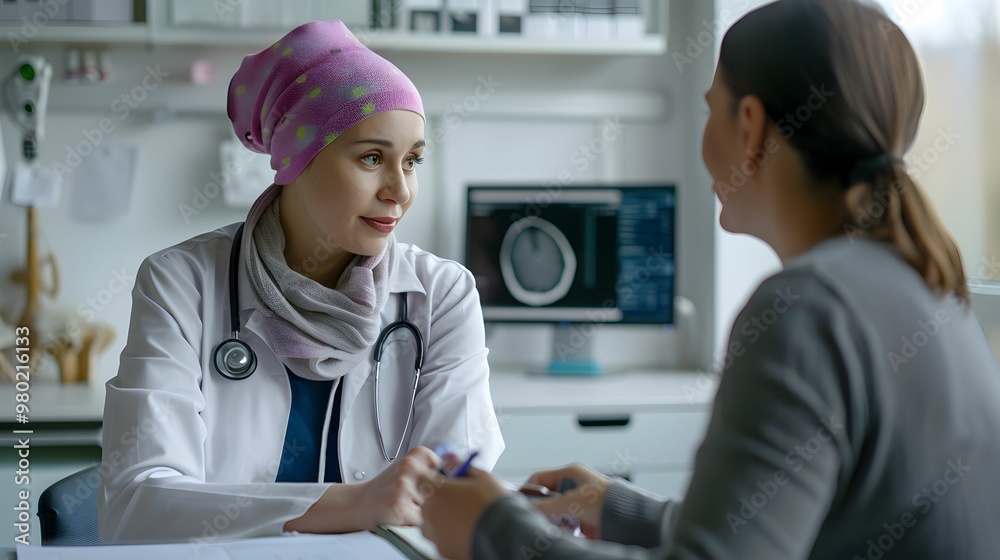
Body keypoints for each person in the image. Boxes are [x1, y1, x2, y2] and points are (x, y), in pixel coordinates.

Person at [417, 1, 1000, 558]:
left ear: (750, 127)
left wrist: (493, 529)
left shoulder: (807, 309)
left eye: (708, 109)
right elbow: (782, 530)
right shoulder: (927, 286)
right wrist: (618, 507)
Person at [98, 20, 502, 543]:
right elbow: (136, 507)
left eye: (413, 161)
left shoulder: (442, 296)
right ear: (296, 158)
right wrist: (351, 503)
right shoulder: (181, 284)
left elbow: (453, 496)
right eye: (372, 158)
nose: (400, 191)